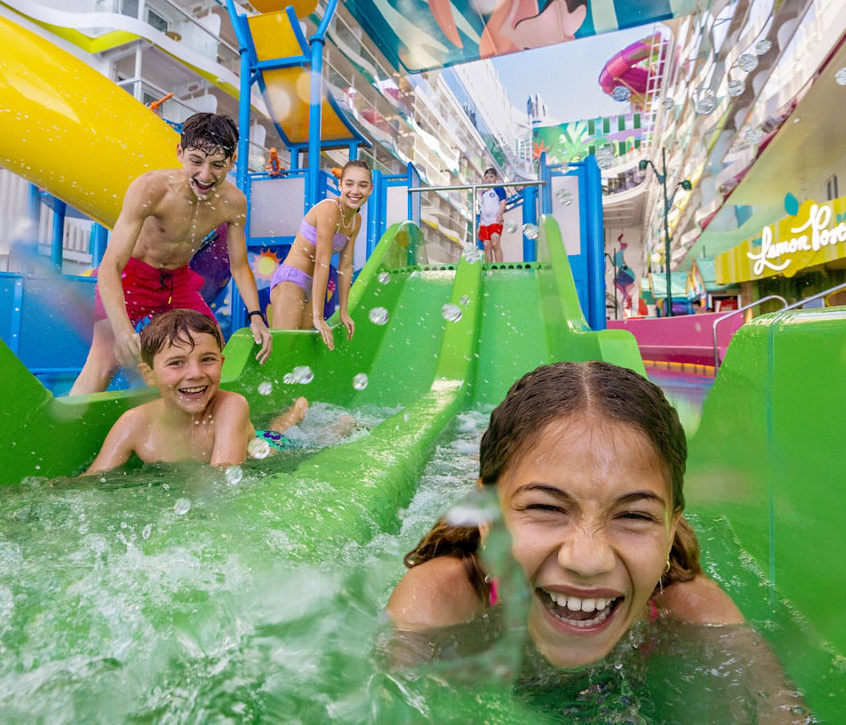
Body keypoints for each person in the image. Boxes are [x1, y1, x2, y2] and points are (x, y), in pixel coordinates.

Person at [386, 360, 749, 663]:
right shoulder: (438, 605)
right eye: (546, 507)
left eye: (634, 516)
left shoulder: (698, 617)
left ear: (671, 529)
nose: (588, 560)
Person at [71, 113, 271, 395]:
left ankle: (195, 422)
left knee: (209, 347)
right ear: (180, 152)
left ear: (231, 160)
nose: (205, 175)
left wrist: (256, 316)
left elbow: (239, 266)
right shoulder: (152, 188)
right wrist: (123, 329)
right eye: (196, 161)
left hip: (177, 283)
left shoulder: (233, 202)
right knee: (105, 361)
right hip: (130, 277)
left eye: (217, 165)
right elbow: (111, 265)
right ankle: (68, 429)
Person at [84, 310, 306, 473]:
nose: (195, 373)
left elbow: (223, 481)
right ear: (149, 374)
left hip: (266, 448)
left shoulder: (230, 407)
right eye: (177, 363)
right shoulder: (134, 423)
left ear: (221, 362)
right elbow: (91, 480)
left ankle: (294, 415)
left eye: (207, 360)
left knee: (281, 433)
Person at [269, 160, 373, 350]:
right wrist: (318, 316)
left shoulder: (355, 221)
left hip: (314, 284)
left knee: (301, 351)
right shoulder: (329, 209)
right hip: (293, 279)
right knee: (283, 348)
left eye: (363, 185)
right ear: (340, 185)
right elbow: (322, 262)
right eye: (349, 184)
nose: (355, 191)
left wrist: (344, 311)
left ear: (370, 189)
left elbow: (345, 267)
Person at [477, 167, 508, 263]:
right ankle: (489, 268)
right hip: (485, 222)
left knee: (495, 243)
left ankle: (499, 267)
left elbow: (503, 202)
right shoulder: (484, 194)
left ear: (496, 178)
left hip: (495, 220)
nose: (489, 179)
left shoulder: (499, 189)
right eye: (486, 177)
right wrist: (480, 225)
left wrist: (500, 213)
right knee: (486, 245)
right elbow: (483, 209)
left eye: (491, 176)